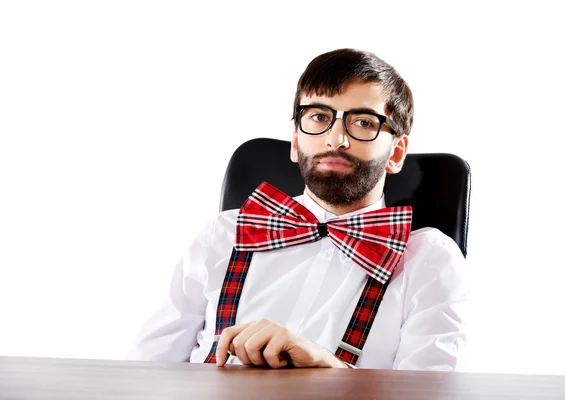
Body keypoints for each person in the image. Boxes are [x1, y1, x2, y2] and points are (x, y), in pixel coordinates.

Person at [128, 48, 469, 370]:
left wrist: (329, 370)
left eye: (363, 122)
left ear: (396, 153)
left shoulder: (430, 259)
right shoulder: (224, 234)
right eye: (319, 117)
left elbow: (428, 392)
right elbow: (148, 367)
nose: (336, 139)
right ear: (295, 140)